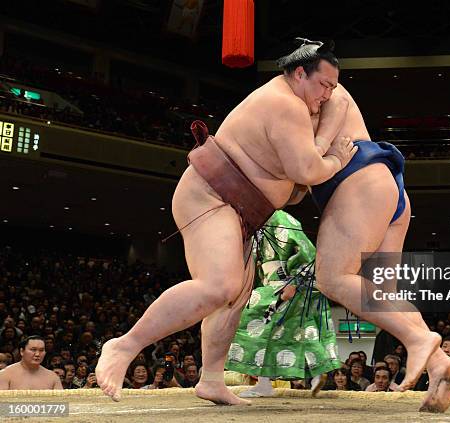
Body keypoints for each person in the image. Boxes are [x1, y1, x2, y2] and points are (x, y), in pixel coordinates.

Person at [95, 38, 356, 404]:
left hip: (242, 211)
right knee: (219, 285)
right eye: (324, 85)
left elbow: (293, 182)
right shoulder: (285, 104)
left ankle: (212, 380)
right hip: (212, 195)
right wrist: (336, 154)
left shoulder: (293, 105)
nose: (328, 94)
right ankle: (124, 346)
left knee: (234, 296)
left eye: (332, 87)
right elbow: (308, 169)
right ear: (300, 74)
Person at [309, 78, 450, 412]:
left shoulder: (303, 96)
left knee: (332, 277)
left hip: (359, 182)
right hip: (387, 188)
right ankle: (438, 363)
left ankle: (418, 339)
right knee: (382, 294)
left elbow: (301, 169)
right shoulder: (324, 92)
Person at [225, 210, 341, 398]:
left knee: (250, 322)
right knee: (297, 333)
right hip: (273, 283)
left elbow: (307, 251)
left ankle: (264, 384)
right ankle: (317, 374)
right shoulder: (258, 224)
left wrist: (295, 283)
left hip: (285, 283)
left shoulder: (280, 218)